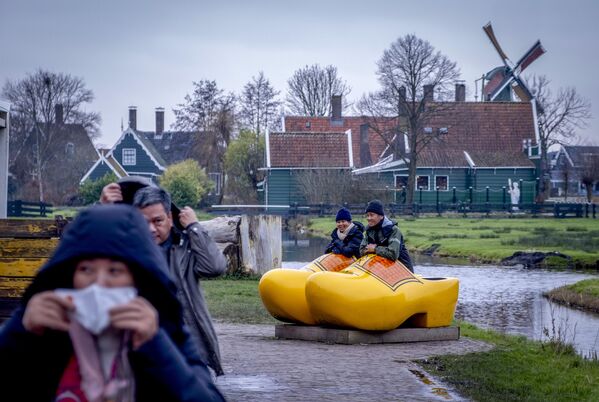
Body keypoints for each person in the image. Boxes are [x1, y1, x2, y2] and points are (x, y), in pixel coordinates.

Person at [0, 204, 225, 401]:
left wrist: (156, 345)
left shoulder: (161, 328)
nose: (99, 283)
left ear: (137, 279)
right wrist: (19, 332)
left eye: (115, 271)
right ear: (70, 276)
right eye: (86, 269)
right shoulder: (46, 330)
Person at [101, 181, 227, 376]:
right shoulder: (122, 248)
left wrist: (194, 227)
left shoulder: (185, 246)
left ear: (169, 217)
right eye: (144, 222)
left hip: (187, 350)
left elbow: (215, 267)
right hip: (137, 349)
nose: (151, 229)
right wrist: (102, 211)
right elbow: (87, 248)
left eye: (157, 221)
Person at [359, 199, 414, 272]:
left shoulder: (394, 230)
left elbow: (393, 254)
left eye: (372, 215)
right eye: (367, 215)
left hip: (403, 272)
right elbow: (362, 250)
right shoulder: (369, 231)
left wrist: (375, 249)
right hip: (382, 271)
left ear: (381, 216)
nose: (368, 218)